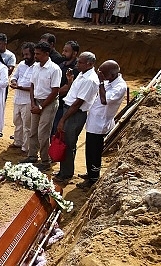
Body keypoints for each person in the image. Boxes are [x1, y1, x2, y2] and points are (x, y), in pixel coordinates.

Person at [79, 60, 127, 189]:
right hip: (94, 121)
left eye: (103, 74)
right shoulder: (109, 81)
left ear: (111, 75)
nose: (100, 75)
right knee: (89, 151)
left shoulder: (120, 86)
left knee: (94, 151)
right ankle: (90, 173)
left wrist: (100, 82)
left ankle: (93, 179)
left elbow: (104, 100)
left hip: (100, 124)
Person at [54, 52, 99, 183]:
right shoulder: (83, 74)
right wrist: (70, 81)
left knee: (68, 143)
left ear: (90, 64)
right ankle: (64, 170)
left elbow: (78, 103)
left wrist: (62, 120)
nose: (77, 64)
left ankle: (66, 174)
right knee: (66, 141)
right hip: (71, 111)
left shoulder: (90, 79)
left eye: (80, 62)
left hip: (74, 114)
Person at [20, 41, 61, 172]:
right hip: (36, 101)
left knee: (43, 133)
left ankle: (45, 161)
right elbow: (32, 85)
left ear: (47, 54)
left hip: (48, 103)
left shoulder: (54, 69)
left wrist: (41, 107)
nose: (35, 56)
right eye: (35, 53)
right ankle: (32, 156)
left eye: (38, 54)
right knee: (33, 131)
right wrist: (32, 103)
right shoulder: (36, 67)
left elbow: (55, 91)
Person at [10, 42, 36, 154]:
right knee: (17, 121)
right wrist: (14, 81)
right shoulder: (21, 64)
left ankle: (26, 147)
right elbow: (14, 76)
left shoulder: (37, 68)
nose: (25, 57)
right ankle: (18, 142)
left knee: (27, 125)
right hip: (17, 99)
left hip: (28, 101)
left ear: (33, 54)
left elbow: (34, 87)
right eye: (24, 54)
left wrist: (19, 87)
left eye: (27, 54)